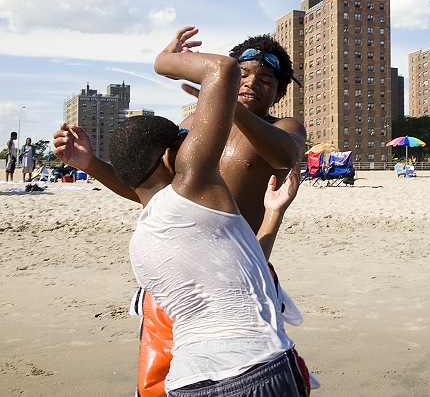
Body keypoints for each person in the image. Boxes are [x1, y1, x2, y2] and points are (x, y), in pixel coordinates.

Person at [54, 28, 309, 396]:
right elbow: (152, 189)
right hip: (182, 273)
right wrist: (92, 164)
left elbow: (285, 155)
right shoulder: (190, 126)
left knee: (245, 359)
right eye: (244, 74)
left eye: (265, 80)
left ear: (280, 92)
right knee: (165, 378)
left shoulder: (283, 128)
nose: (252, 83)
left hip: (244, 267)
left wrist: (224, 101)